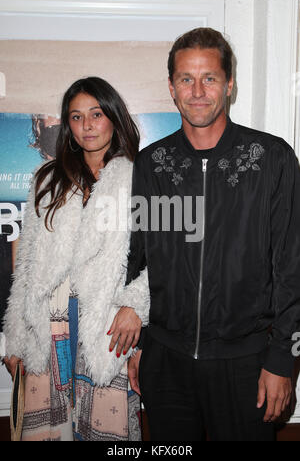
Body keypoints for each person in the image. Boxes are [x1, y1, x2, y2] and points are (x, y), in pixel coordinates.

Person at [127, 28, 300, 441]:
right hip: (166, 362)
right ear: (172, 87)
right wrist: (138, 348)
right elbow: (139, 258)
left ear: (230, 84)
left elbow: (293, 266)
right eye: (187, 78)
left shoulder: (272, 159)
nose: (198, 90)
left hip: (247, 365)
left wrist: (282, 360)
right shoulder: (153, 163)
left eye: (210, 78)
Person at [2, 76, 150, 441]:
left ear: (113, 117)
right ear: (67, 124)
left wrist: (138, 311)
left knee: (105, 431)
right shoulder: (47, 180)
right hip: (46, 327)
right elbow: (27, 266)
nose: (87, 126)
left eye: (96, 114)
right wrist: (15, 338)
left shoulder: (142, 179)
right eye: (76, 116)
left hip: (107, 325)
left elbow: (161, 260)